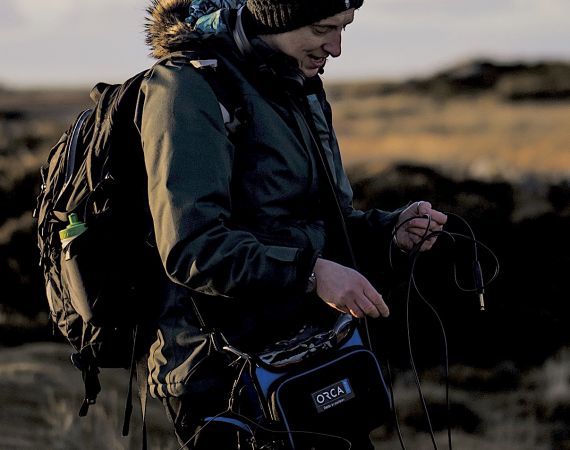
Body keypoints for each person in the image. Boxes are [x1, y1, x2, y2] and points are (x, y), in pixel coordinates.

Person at [138, 0, 448, 448]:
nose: (337, 48)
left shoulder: (297, 82)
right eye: (323, 27)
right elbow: (193, 249)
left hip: (316, 354)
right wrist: (309, 272)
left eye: (345, 27)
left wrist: (388, 232)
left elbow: (315, 223)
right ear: (274, 18)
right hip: (227, 378)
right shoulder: (188, 87)